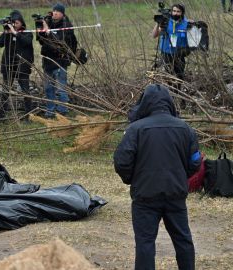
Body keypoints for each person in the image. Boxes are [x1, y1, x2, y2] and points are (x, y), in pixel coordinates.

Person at [113, 84, 201, 270]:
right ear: (169, 103)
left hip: (145, 195)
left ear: (145, 103)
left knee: (145, 244)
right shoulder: (185, 129)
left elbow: (122, 161)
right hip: (175, 194)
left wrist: (132, 179)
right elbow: (195, 161)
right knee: (183, 240)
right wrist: (180, 177)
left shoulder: (135, 129)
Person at [37, 3, 77, 118]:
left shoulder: (66, 25)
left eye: (57, 11)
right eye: (54, 11)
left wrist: (49, 31)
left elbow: (60, 42)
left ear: (62, 13)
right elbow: (41, 41)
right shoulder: (49, 22)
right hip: (48, 61)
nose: (54, 13)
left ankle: (62, 111)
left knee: (61, 88)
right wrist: (42, 30)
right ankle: (50, 111)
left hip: (60, 61)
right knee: (49, 88)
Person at [0, 10, 34, 119]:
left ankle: (28, 116)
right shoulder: (8, 33)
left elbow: (26, 42)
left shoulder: (27, 32)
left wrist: (15, 33)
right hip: (8, 66)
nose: (15, 25)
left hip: (22, 67)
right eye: (14, 23)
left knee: (25, 92)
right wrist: (5, 33)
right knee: (5, 91)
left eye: (17, 23)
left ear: (22, 23)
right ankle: (1, 115)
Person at [151, 4, 189, 93]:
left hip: (179, 54)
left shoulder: (186, 23)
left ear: (182, 13)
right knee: (169, 77)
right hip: (166, 53)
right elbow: (154, 35)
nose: (175, 13)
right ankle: (171, 95)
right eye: (174, 11)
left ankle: (180, 95)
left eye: (178, 11)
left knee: (179, 77)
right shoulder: (166, 22)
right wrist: (158, 24)